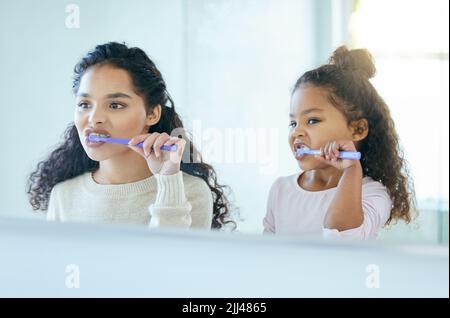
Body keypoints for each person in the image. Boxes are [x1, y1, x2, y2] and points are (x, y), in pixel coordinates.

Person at [27, 42, 234, 230]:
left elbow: (169, 266)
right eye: (84, 105)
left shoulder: (190, 192)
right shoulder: (64, 196)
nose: (94, 118)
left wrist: (168, 182)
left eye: (115, 105)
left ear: (152, 113)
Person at [263, 46, 415, 239]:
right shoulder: (281, 189)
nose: (297, 132)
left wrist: (351, 170)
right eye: (293, 123)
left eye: (312, 121)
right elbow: (268, 255)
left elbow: (342, 240)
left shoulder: (372, 193)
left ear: (357, 129)